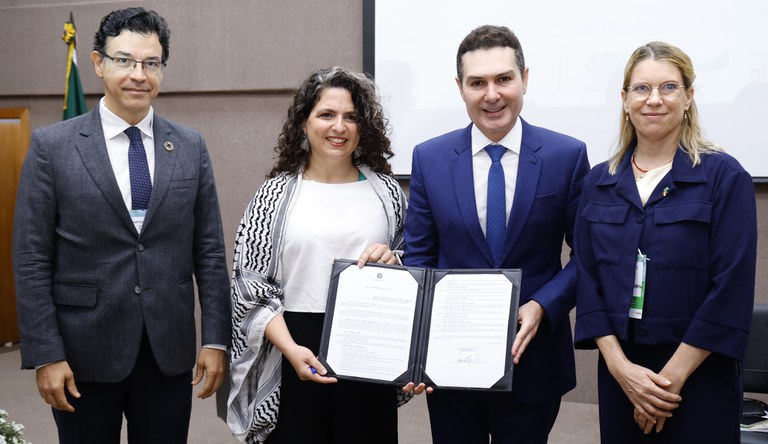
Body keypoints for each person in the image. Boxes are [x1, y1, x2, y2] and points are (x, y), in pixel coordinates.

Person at [12, 7, 231, 444]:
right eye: (125, 60)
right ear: (98, 63)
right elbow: (32, 257)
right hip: (81, 353)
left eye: (151, 63)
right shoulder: (52, 148)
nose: (139, 74)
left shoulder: (189, 145)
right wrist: (45, 354)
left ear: (162, 69)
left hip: (167, 350)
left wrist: (216, 340)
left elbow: (209, 252)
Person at [403, 25, 590, 443]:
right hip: (450, 366)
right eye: (477, 83)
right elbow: (419, 259)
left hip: (535, 358)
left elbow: (587, 255)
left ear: (525, 78)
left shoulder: (567, 156)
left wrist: (544, 305)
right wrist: (415, 355)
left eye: (504, 79)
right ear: (460, 87)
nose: (492, 94)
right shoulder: (429, 158)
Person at [573, 41, 757, 443]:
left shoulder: (724, 178)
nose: (654, 100)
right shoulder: (598, 183)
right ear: (624, 100)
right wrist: (622, 370)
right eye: (641, 89)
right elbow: (588, 281)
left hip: (699, 376)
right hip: (622, 376)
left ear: (689, 97)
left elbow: (731, 288)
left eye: (669, 88)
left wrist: (667, 383)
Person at [226, 66, 407, 443]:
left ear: (364, 126)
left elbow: (413, 265)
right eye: (326, 114)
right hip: (294, 346)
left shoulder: (388, 194)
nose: (339, 127)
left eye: (351, 117)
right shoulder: (273, 197)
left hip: (368, 350)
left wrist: (394, 262)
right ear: (304, 123)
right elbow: (249, 287)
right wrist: (292, 350)